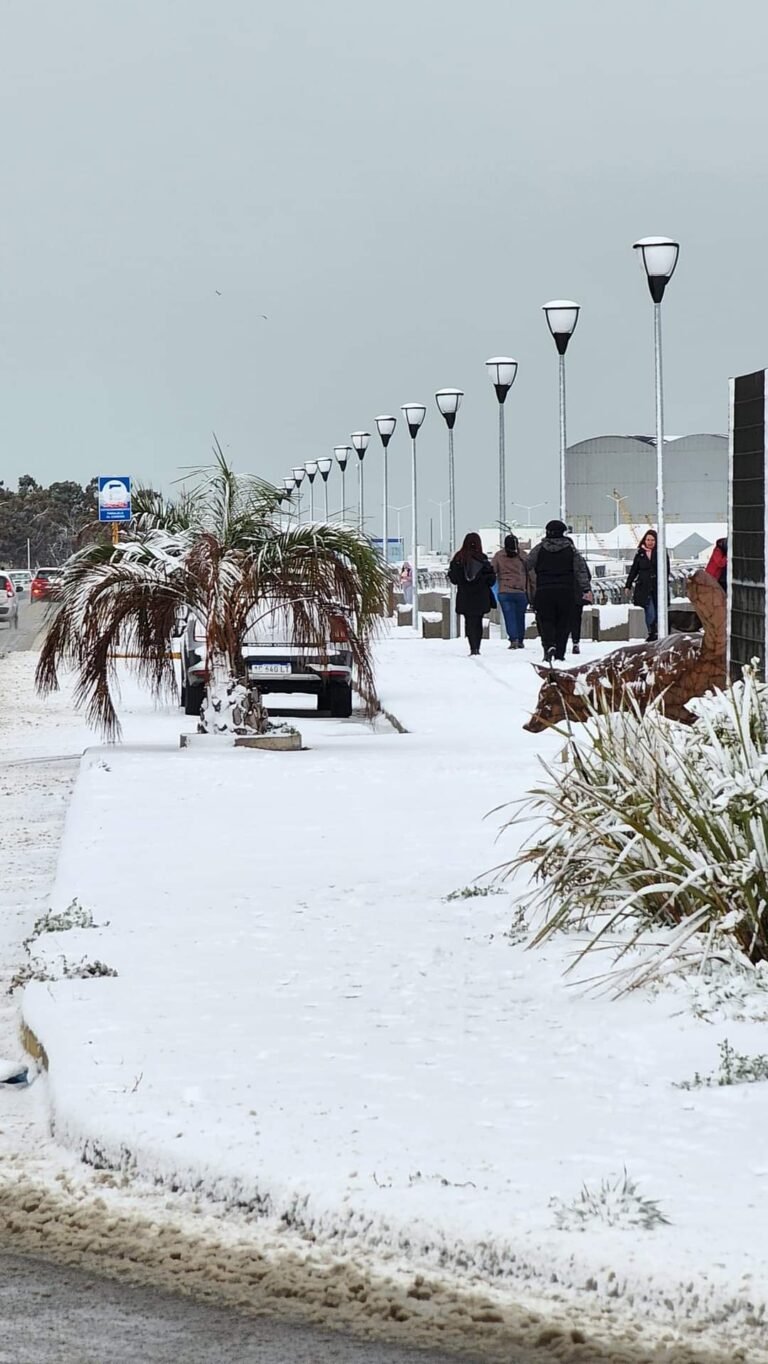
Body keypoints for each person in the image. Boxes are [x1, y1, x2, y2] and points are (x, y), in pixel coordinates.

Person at [527, 519, 592, 662]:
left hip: (544, 590)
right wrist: (586, 589)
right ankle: (560, 653)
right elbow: (580, 570)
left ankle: (549, 645)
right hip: (565, 590)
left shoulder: (539, 549)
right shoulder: (571, 549)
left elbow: (527, 564)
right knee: (564, 622)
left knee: (546, 620)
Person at [448, 532, 496, 656]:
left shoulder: (458, 558)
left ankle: (472, 647)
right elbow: (491, 580)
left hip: (465, 595)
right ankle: (477, 647)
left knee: (469, 621)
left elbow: (453, 579)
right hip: (480, 596)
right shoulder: (483, 559)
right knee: (478, 621)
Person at [624, 528, 670, 642]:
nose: (650, 542)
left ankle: (657, 632)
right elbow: (634, 570)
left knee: (659, 611)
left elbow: (666, 570)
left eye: (652, 540)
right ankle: (652, 631)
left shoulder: (661, 553)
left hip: (658, 587)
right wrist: (628, 585)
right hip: (644, 588)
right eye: (648, 540)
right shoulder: (640, 554)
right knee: (650, 611)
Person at [491, 534, 529, 649]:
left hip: (505, 590)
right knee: (520, 616)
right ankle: (521, 639)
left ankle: (513, 639)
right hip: (521, 591)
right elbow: (531, 572)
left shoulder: (499, 556)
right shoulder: (523, 556)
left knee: (509, 616)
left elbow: (492, 571)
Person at [569, 550, 592, 656]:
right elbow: (588, 576)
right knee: (576, 619)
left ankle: (558, 643)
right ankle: (575, 642)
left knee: (561, 619)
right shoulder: (579, 559)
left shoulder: (556, 559)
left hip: (561, 593)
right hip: (577, 594)